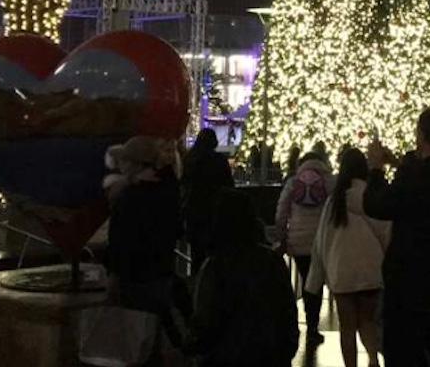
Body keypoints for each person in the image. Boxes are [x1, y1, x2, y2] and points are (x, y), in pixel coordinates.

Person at [364, 108, 430, 367]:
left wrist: (376, 170)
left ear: (420, 135)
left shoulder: (412, 178)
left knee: (405, 353)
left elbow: (376, 205)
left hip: (409, 287)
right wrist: (400, 163)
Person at [186, 189, 298, 366]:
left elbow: (205, 322)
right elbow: (287, 312)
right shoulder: (272, 262)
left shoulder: (215, 266)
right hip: (270, 356)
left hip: (224, 357)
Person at [306, 148, 390, 367]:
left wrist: (316, 278)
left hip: (341, 271)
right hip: (369, 268)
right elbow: (385, 231)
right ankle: (373, 360)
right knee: (368, 322)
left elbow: (321, 241)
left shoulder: (334, 203)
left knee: (347, 327)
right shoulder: (371, 197)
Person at [105, 136, 182, 365]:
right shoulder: (168, 189)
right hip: (162, 270)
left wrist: (114, 274)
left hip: (134, 276)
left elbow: (119, 241)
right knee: (153, 333)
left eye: (126, 161)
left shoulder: (128, 196)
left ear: (135, 164)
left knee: (135, 337)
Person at [275, 149, 334, 347]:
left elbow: (281, 212)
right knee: (315, 284)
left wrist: (282, 236)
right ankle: (312, 327)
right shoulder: (329, 181)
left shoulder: (293, 182)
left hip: (298, 242)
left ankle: (301, 323)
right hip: (321, 242)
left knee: (304, 280)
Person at [182, 128, 234, 275]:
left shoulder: (190, 159)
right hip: (215, 212)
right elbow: (228, 185)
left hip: (195, 212)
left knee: (196, 255)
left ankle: (196, 285)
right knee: (214, 255)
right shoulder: (219, 161)